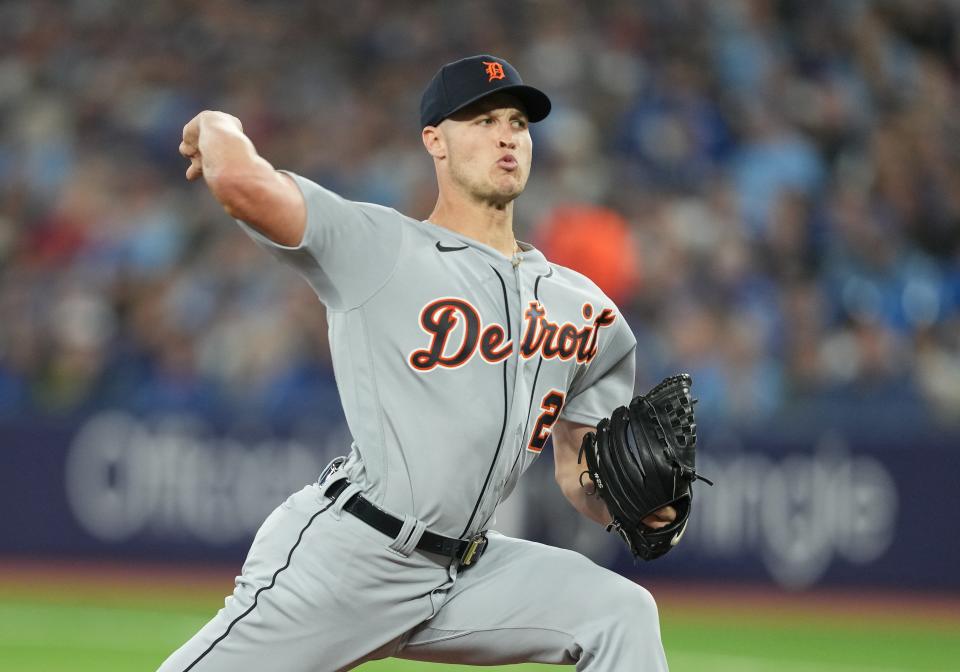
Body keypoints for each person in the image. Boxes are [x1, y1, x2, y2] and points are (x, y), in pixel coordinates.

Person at [162, 54, 675, 672]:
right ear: (435, 140)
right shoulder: (380, 246)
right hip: (355, 558)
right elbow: (245, 186)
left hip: (469, 573)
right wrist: (217, 123)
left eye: (517, 121)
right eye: (482, 120)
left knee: (621, 612)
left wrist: (631, 504)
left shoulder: (586, 309)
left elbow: (579, 473)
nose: (507, 134)